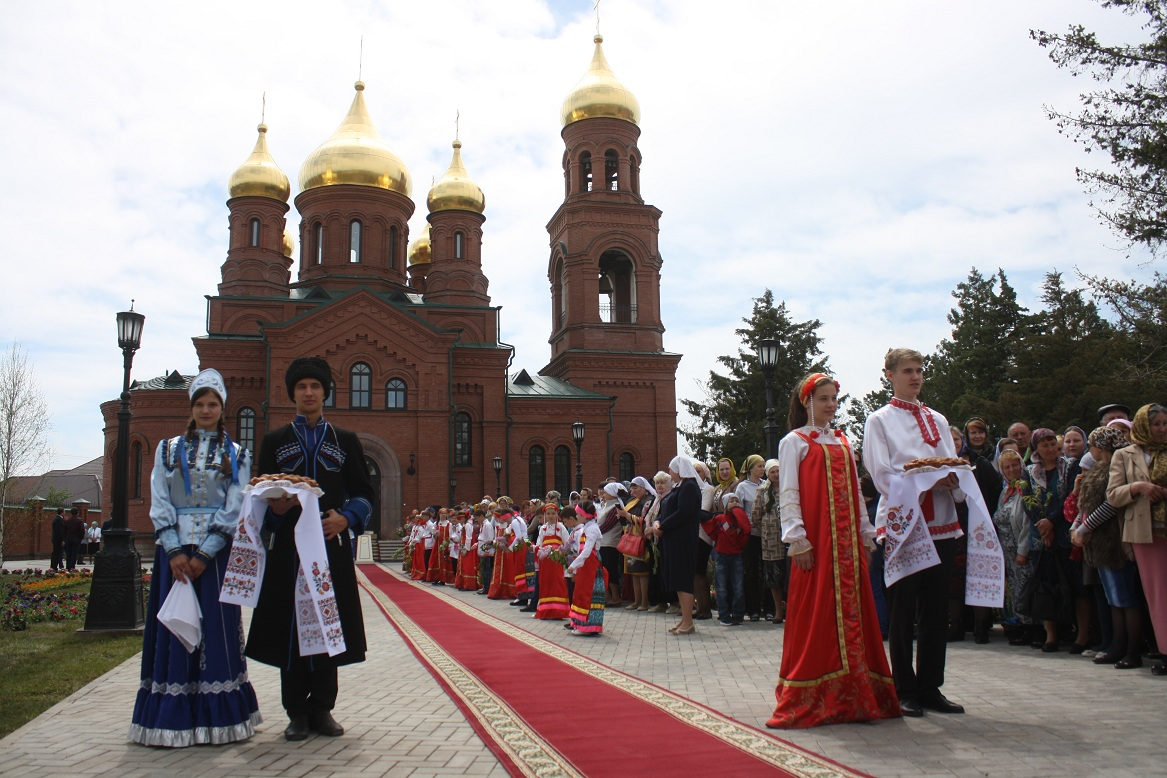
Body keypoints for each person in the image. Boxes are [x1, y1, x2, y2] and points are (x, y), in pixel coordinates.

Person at [129, 368, 261, 746]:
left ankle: (219, 718)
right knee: (174, 629)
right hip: (174, 554)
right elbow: (160, 497)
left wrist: (206, 552)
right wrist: (172, 549)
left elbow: (236, 506)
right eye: (200, 404)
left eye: (213, 404)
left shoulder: (237, 454)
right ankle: (171, 718)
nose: (206, 410)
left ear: (223, 409)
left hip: (215, 557)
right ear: (191, 407)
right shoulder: (168, 449)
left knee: (216, 632)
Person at [248, 357, 373, 741]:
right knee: (291, 625)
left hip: (329, 547)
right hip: (288, 549)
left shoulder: (345, 441)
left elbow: (365, 493)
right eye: (301, 387)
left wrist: (347, 519)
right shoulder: (275, 441)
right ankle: (296, 712)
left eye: (315, 387)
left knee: (326, 623)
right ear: (293, 394)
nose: (308, 392)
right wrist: (275, 507)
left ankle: (322, 708)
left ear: (324, 393)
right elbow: (258, 494)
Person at [767, 372, 899, 729]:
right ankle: (818, 693)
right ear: (806, 402)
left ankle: (856, 694)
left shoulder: (841, 441)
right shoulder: (793, 442)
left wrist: (865, 534)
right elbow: (789, 493)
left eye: (833, 399)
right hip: (818, 542)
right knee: (816, 613)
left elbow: (856, 493)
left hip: (847, 544)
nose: (830, 405)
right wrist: (798, 540)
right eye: (823, 398)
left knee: (854, 612)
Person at [864, 348, 967, 717]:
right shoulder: (879, 420)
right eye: (907, 370)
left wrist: (954, 479)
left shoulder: (937, 418)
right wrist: (924, 480)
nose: (916, 376)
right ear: (889, 374)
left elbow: (949, 460)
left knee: (937, 609)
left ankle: (930, 686)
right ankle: (903, 687)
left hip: (940, 520)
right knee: (904, 608)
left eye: (920, 370)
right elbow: (880, 473)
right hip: (903, 523)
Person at [1072, 426, 1144, 669]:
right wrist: (1077, 525)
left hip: (1113, 538)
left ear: (1100, 447)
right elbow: (1086, 503)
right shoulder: (1100, 468)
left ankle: (1131, 650)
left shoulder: (1117, 467)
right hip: (1098, 542)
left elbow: (1111, 505)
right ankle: (1116, 645)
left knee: (1124, 597)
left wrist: (1085, 527)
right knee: (1112, 597)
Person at [1106, 403, 1167, 676]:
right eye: (1157, 424)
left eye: (1165, 424)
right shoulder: (1124, 455)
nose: (1162, 429)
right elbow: (1113, 495)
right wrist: (1138, 487)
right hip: (1146, 532)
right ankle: (1165, 650)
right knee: (1157, 594)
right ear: (1144, 425)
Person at [652, 456, 702, 635]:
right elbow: (665, 509)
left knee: (683, 580)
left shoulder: (689, 487)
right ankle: (684, 619)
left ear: (680, 470)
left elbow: (684, 512)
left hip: (683, 540)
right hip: (672, 540)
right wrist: (657, 522)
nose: (670, 472)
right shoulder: (678, 488)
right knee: (677, 580)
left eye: (672, 469)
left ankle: (688, 621)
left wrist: (663, 526)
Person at [703, 493, 750, 626]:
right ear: (725, 504)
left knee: (738, 587)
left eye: (737, 501)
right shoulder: (719, 518)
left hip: (736, 556)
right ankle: (724, 614)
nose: (734, 503)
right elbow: (709, 527)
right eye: (731, 501)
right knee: (721, 587)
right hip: (721, 555)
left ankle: (738, 614)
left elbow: (746, 531)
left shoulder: (740, 519)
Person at [752, 459, 787, 624]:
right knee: (774, 577)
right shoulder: (762, 491)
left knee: (790, 575)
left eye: (778, 471)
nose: (776, 474)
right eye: (772, 472)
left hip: (788, 537)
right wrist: (767, 528)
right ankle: (777, 611)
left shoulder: (789, 487)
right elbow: (756, 516)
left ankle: (791, 610)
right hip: (770, 539)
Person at [566, 500, 606, 635]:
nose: (576, 516)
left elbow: (587, 551)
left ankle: (589, 626)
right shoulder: (587, 527)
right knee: (581, 593)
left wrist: (573, 565)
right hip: (585, 565)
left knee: (589, 594)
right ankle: (581, 624)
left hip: (591, 565)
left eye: (577, 514)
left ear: (584, 515)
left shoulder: (593, 529)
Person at [618, 476, 656, 611]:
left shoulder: (648, 501)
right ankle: (637, 600)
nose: (633, 491)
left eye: (636, 488)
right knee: (633, 572)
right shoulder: (633, 501)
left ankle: (644, 601)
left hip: (641, 540)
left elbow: (644, 520)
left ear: (644, 489)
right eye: (632, 488)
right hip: (630, 538)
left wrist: (627, 516)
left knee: (642, 572)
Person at [736, 454, 766, 621]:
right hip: (750, 534)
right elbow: (739, 511)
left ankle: (768, 607)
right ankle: (753, 608)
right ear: (751, 468)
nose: (762, 469)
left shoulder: (766, 485)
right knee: (751, 571)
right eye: (759, 466)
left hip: (766, 533)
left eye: (763, 466)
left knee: (766, 570)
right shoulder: (742, 487)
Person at [534, 504, 570, 619]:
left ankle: (559, 611)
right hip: (546, 563)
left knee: (558, 584)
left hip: (557, 563)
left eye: (553, 514)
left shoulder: (561, 528)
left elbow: (567, 544)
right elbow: (539, 544)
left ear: (557, 515)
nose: (550, 516)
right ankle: (546, 610)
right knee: (546, 584)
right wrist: (538, 549)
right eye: (548, 514)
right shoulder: (543, 529)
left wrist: (559, 551)